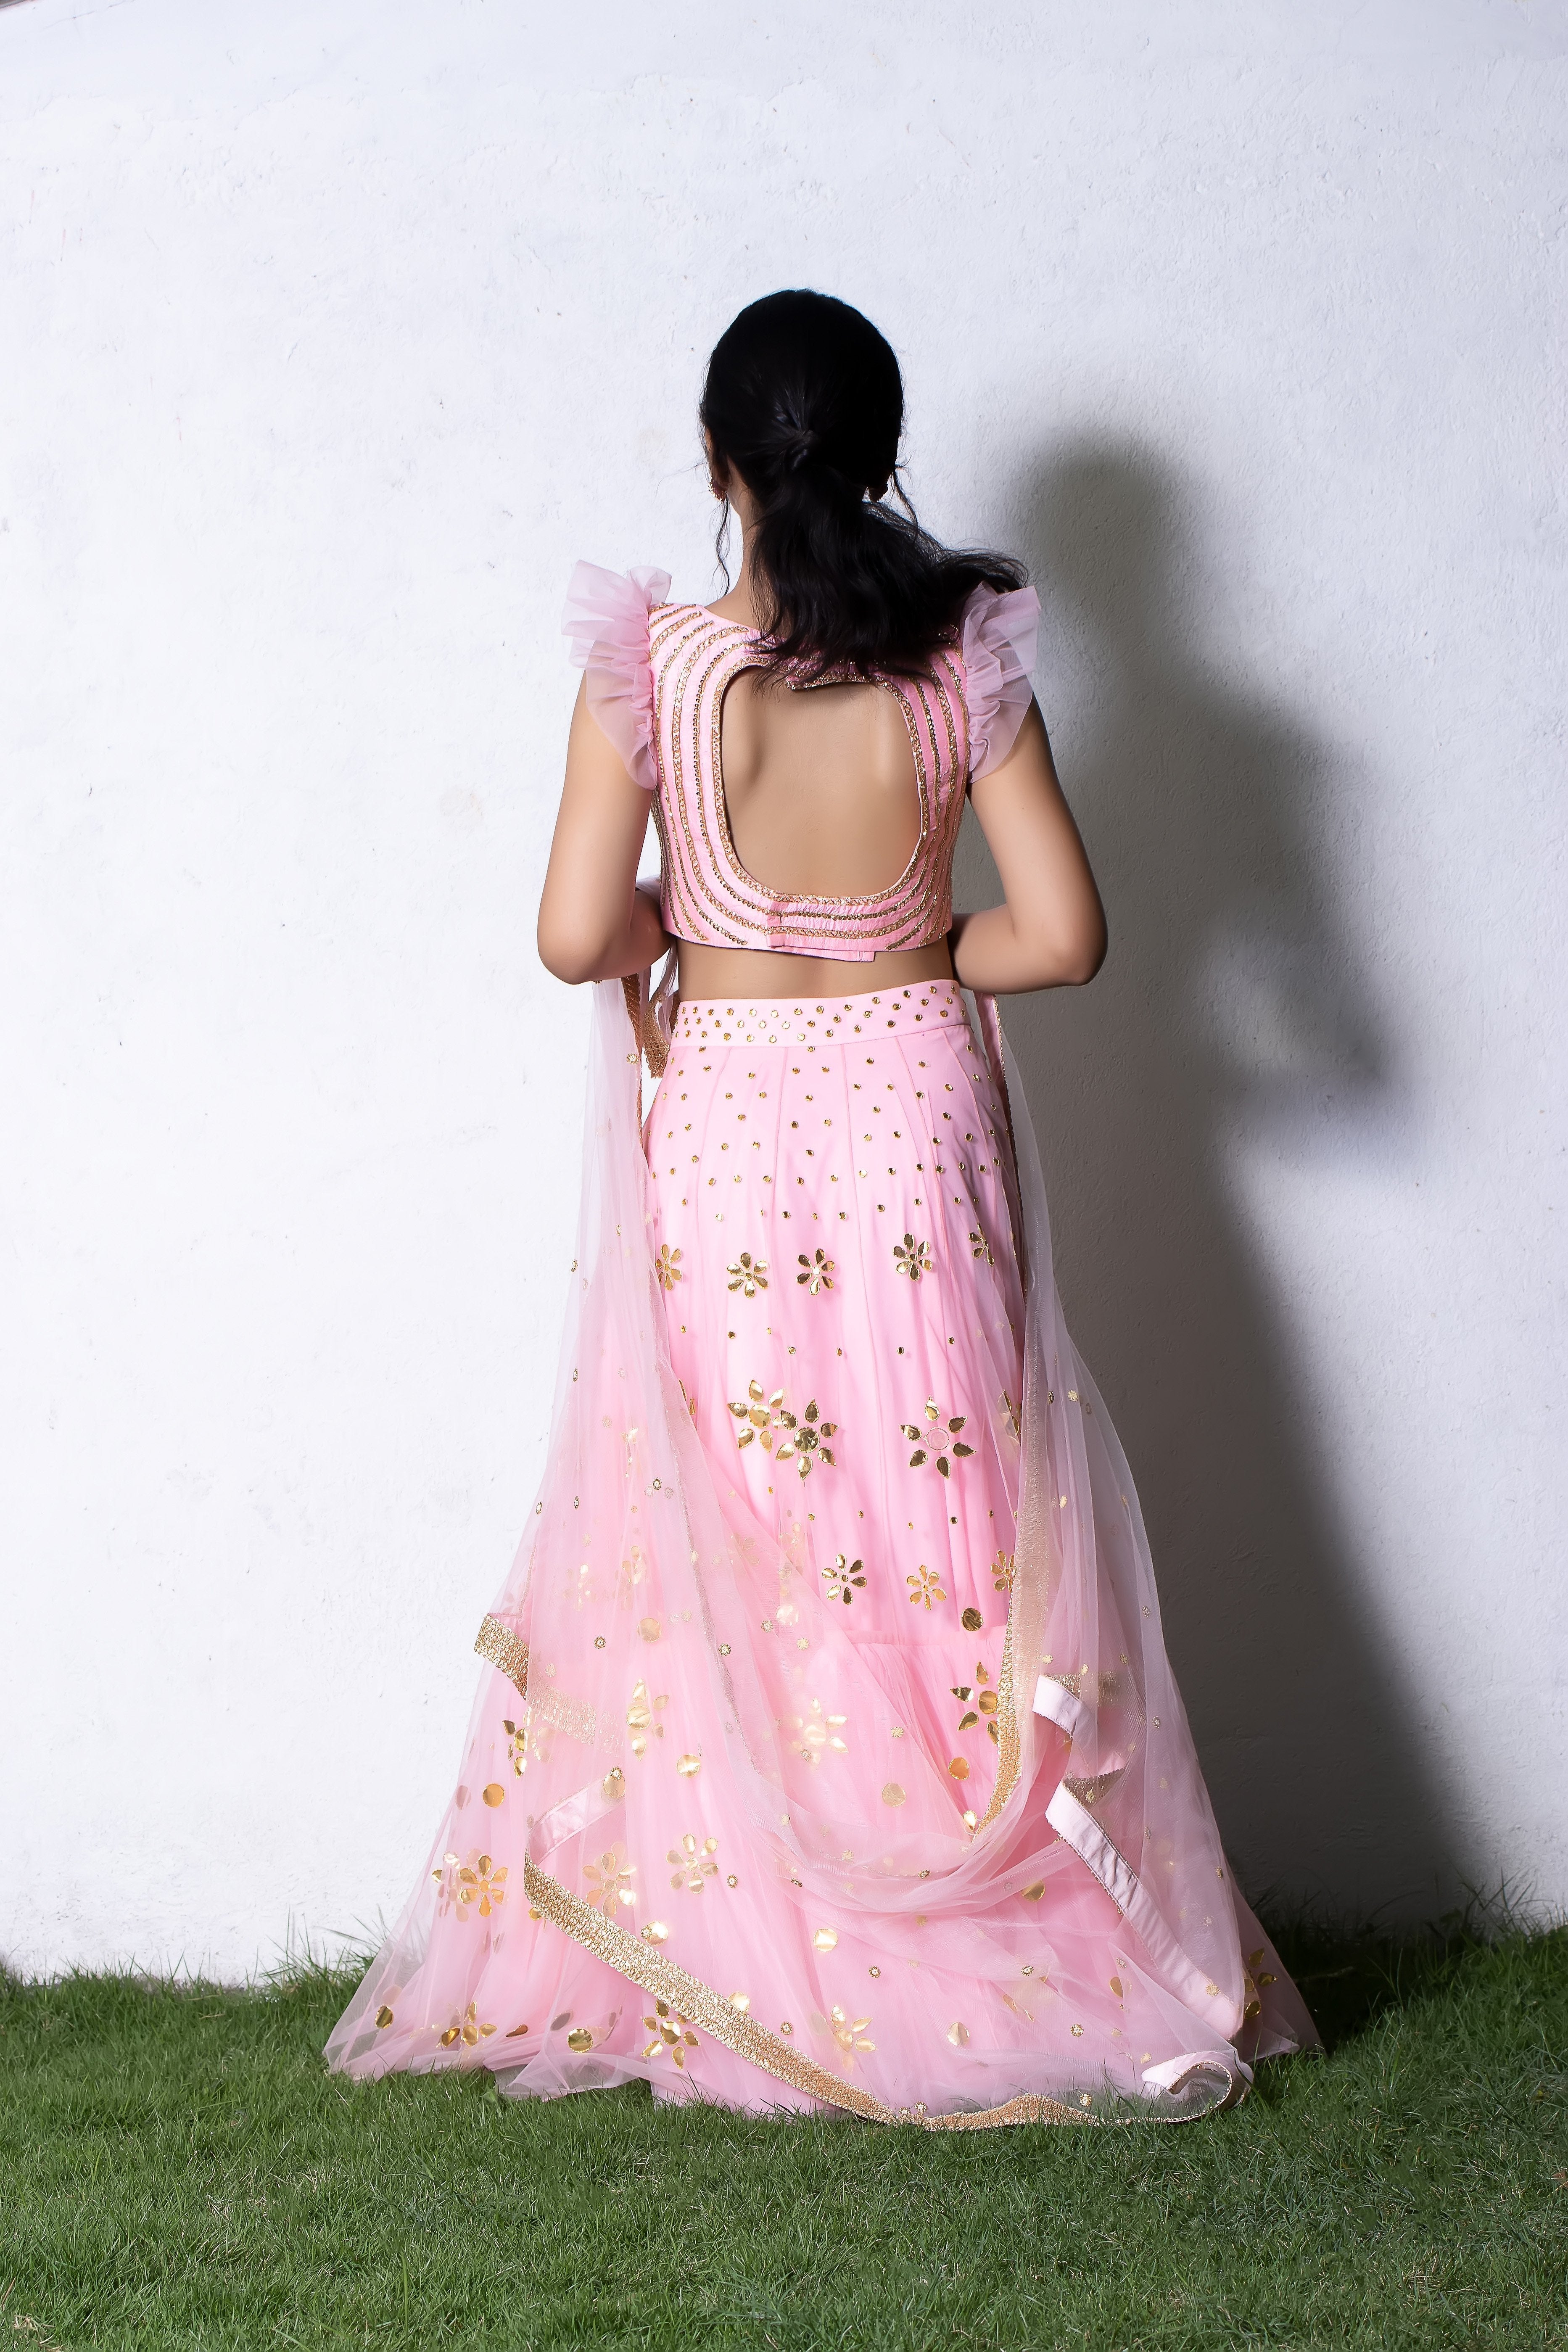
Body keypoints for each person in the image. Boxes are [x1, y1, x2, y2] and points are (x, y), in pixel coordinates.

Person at [326, 290, 1317, 2124]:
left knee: (747, 1505)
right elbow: (1064, 937)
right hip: (912, 1100)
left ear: (717, 459)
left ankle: (752, 1937)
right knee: (946, 1506)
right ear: (883, 455)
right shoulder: (960, 666)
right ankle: (1017, 1939)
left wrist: (692, 930)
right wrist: (914, 943)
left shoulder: (655, 665)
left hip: (729, 1112)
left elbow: (572, 933)